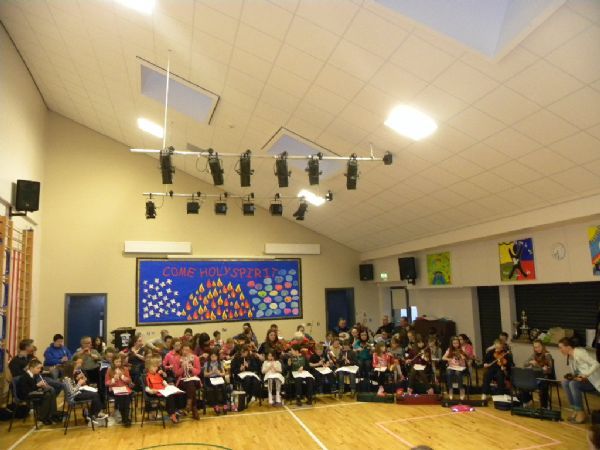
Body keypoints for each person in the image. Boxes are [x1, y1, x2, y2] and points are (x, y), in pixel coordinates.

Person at [559, 337, 600, 424]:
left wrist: (586, 375)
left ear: (568, 347)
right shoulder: (570, 357)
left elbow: (596, 364)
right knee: (565, 382)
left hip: (593, 382)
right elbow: (577, 372)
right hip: (584, 381)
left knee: (573, 384)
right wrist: (572, 377)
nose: (560, 350)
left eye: (561, 347)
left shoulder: (580, 353)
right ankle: (575, 410)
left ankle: (581, 413)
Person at [16, 359, 59, 425]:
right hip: (25, 395)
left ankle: (51, 415)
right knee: (47, 395)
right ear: (31, 368)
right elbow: (25, 391)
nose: (39, 370)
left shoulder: (33, 375)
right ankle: (43, 417)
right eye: (38, 368)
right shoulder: (24, 377)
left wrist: (41, 386)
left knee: (50, 391)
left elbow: (33, 387)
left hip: (31, 392)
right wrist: (37, 385)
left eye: (40, 368)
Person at [145, 359, 182, 423]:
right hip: (155, 392)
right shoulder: (147, 376)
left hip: (162, 390)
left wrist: (167, 385)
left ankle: (173, 411)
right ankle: (172, 414)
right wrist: (151, 390)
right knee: (169, 395)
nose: (156, 368)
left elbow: (163, 381)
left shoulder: (157, 374)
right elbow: (146, 388)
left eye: (156, 367)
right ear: (149, 368)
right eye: (154, 367)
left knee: (176, 393)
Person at [521, 339, 554, 408]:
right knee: (523, 382)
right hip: (535, 376)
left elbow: (549, 371)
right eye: (535, 347)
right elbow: (524, 364)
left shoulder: (547, 355)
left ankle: (544, 405)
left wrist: (537, 365)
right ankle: (527, 400)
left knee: (543, 384)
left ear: (543, 346)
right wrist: (530, 362)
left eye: (539, 346)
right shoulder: (534, 355)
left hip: (544, 377)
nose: (537, 349)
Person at [173, 342, 201, 420]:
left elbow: (198, 371)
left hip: (195, 379)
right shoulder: (177, 358)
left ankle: (189, 405)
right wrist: (182, 368)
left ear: (191, 351)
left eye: (187, 350)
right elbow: (176, 373)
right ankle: (194, 409)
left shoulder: (195, 358)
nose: (185, 352)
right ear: (181, 350)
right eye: (184, 350)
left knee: (191, 383)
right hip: (183, 380)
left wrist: (192, 368)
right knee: (190, 385)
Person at [105, 355, 132, 427]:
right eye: (116, 362)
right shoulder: (109, 370)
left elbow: (129, 380)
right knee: (121, 400)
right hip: (114, 389)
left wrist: (122, 376)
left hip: (124, 388)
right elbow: (106, 382)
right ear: (113, 362)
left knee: (126, 400)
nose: (118, 363)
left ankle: (126, 419)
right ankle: (125, 419)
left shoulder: (125, 369)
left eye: (120, 361)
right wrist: (113, 379)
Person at [203, 350, 228, 415]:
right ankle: (216, 404)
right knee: (215, 387)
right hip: (210, 379)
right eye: (212, 356)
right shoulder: (207, 363)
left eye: (215, 356)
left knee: (223, 386)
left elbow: (224, 373)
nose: (213, 358)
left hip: (218, 378)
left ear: (217, 357)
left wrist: (219, 373)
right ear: (210, 357)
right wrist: (212, 372)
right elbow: (205, 374)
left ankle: (225, 403)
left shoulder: (220, 363)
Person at [443, 337, 468, 401]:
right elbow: (443, 358)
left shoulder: (462, 349)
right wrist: (449, 359)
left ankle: (461, 389)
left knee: (458, 373)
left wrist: (461, 355)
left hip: (460, 367)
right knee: (448, 372)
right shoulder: (449, 350)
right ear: (452, 344)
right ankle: (450, 390)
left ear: (459, 343)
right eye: (454, 343)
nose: (456, 344)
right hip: (452, 366)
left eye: (457, 343)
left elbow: (465, 358)